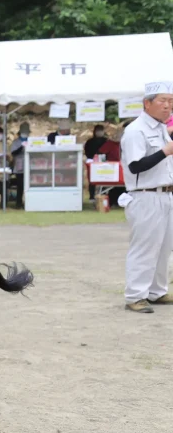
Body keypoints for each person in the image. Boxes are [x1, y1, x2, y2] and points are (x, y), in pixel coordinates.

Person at [119, 81, 173, 313]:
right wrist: (165, 151)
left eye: (170, 101)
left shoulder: (161, 128)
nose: (167, 106)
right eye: (162, 100)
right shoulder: (135, 130)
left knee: (164, 247)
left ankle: (157, 291)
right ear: (147, 103)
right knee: (144, 247)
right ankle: (135, 295)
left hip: (166, 194)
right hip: (144, 196)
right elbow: (135, 166)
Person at [84, 124, 109, 201]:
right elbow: (87, 151)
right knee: (92, 179)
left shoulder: (106, 141)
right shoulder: (89, 142)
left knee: (105, 178)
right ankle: (92, 196)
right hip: (92, 162)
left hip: (104, 162)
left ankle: (104, 194)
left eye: (101, 131)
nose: (99, 132)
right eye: (98, 131)